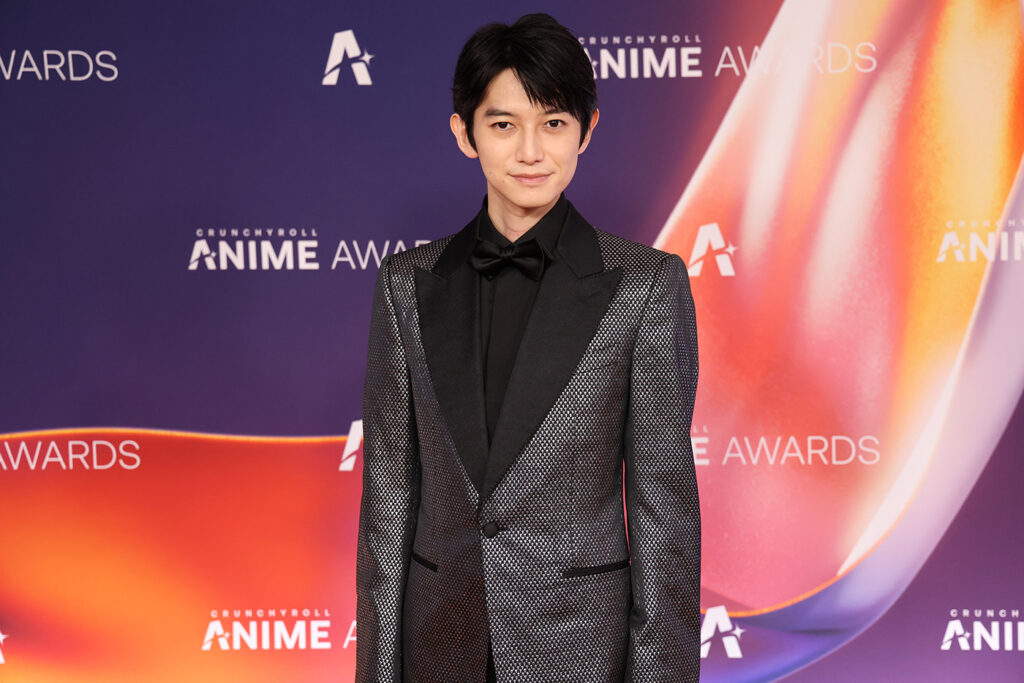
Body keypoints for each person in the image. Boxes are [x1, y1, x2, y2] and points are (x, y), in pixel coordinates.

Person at [356, 12, 700, 683]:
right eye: (504, 125)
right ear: (465, 133)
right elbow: (387, 507)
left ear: (587, 130)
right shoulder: (406, 285)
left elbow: (666, 523)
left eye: (554, 123)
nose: (531, 152)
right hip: (439, 648)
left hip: (579, 650)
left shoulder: (646, 287)